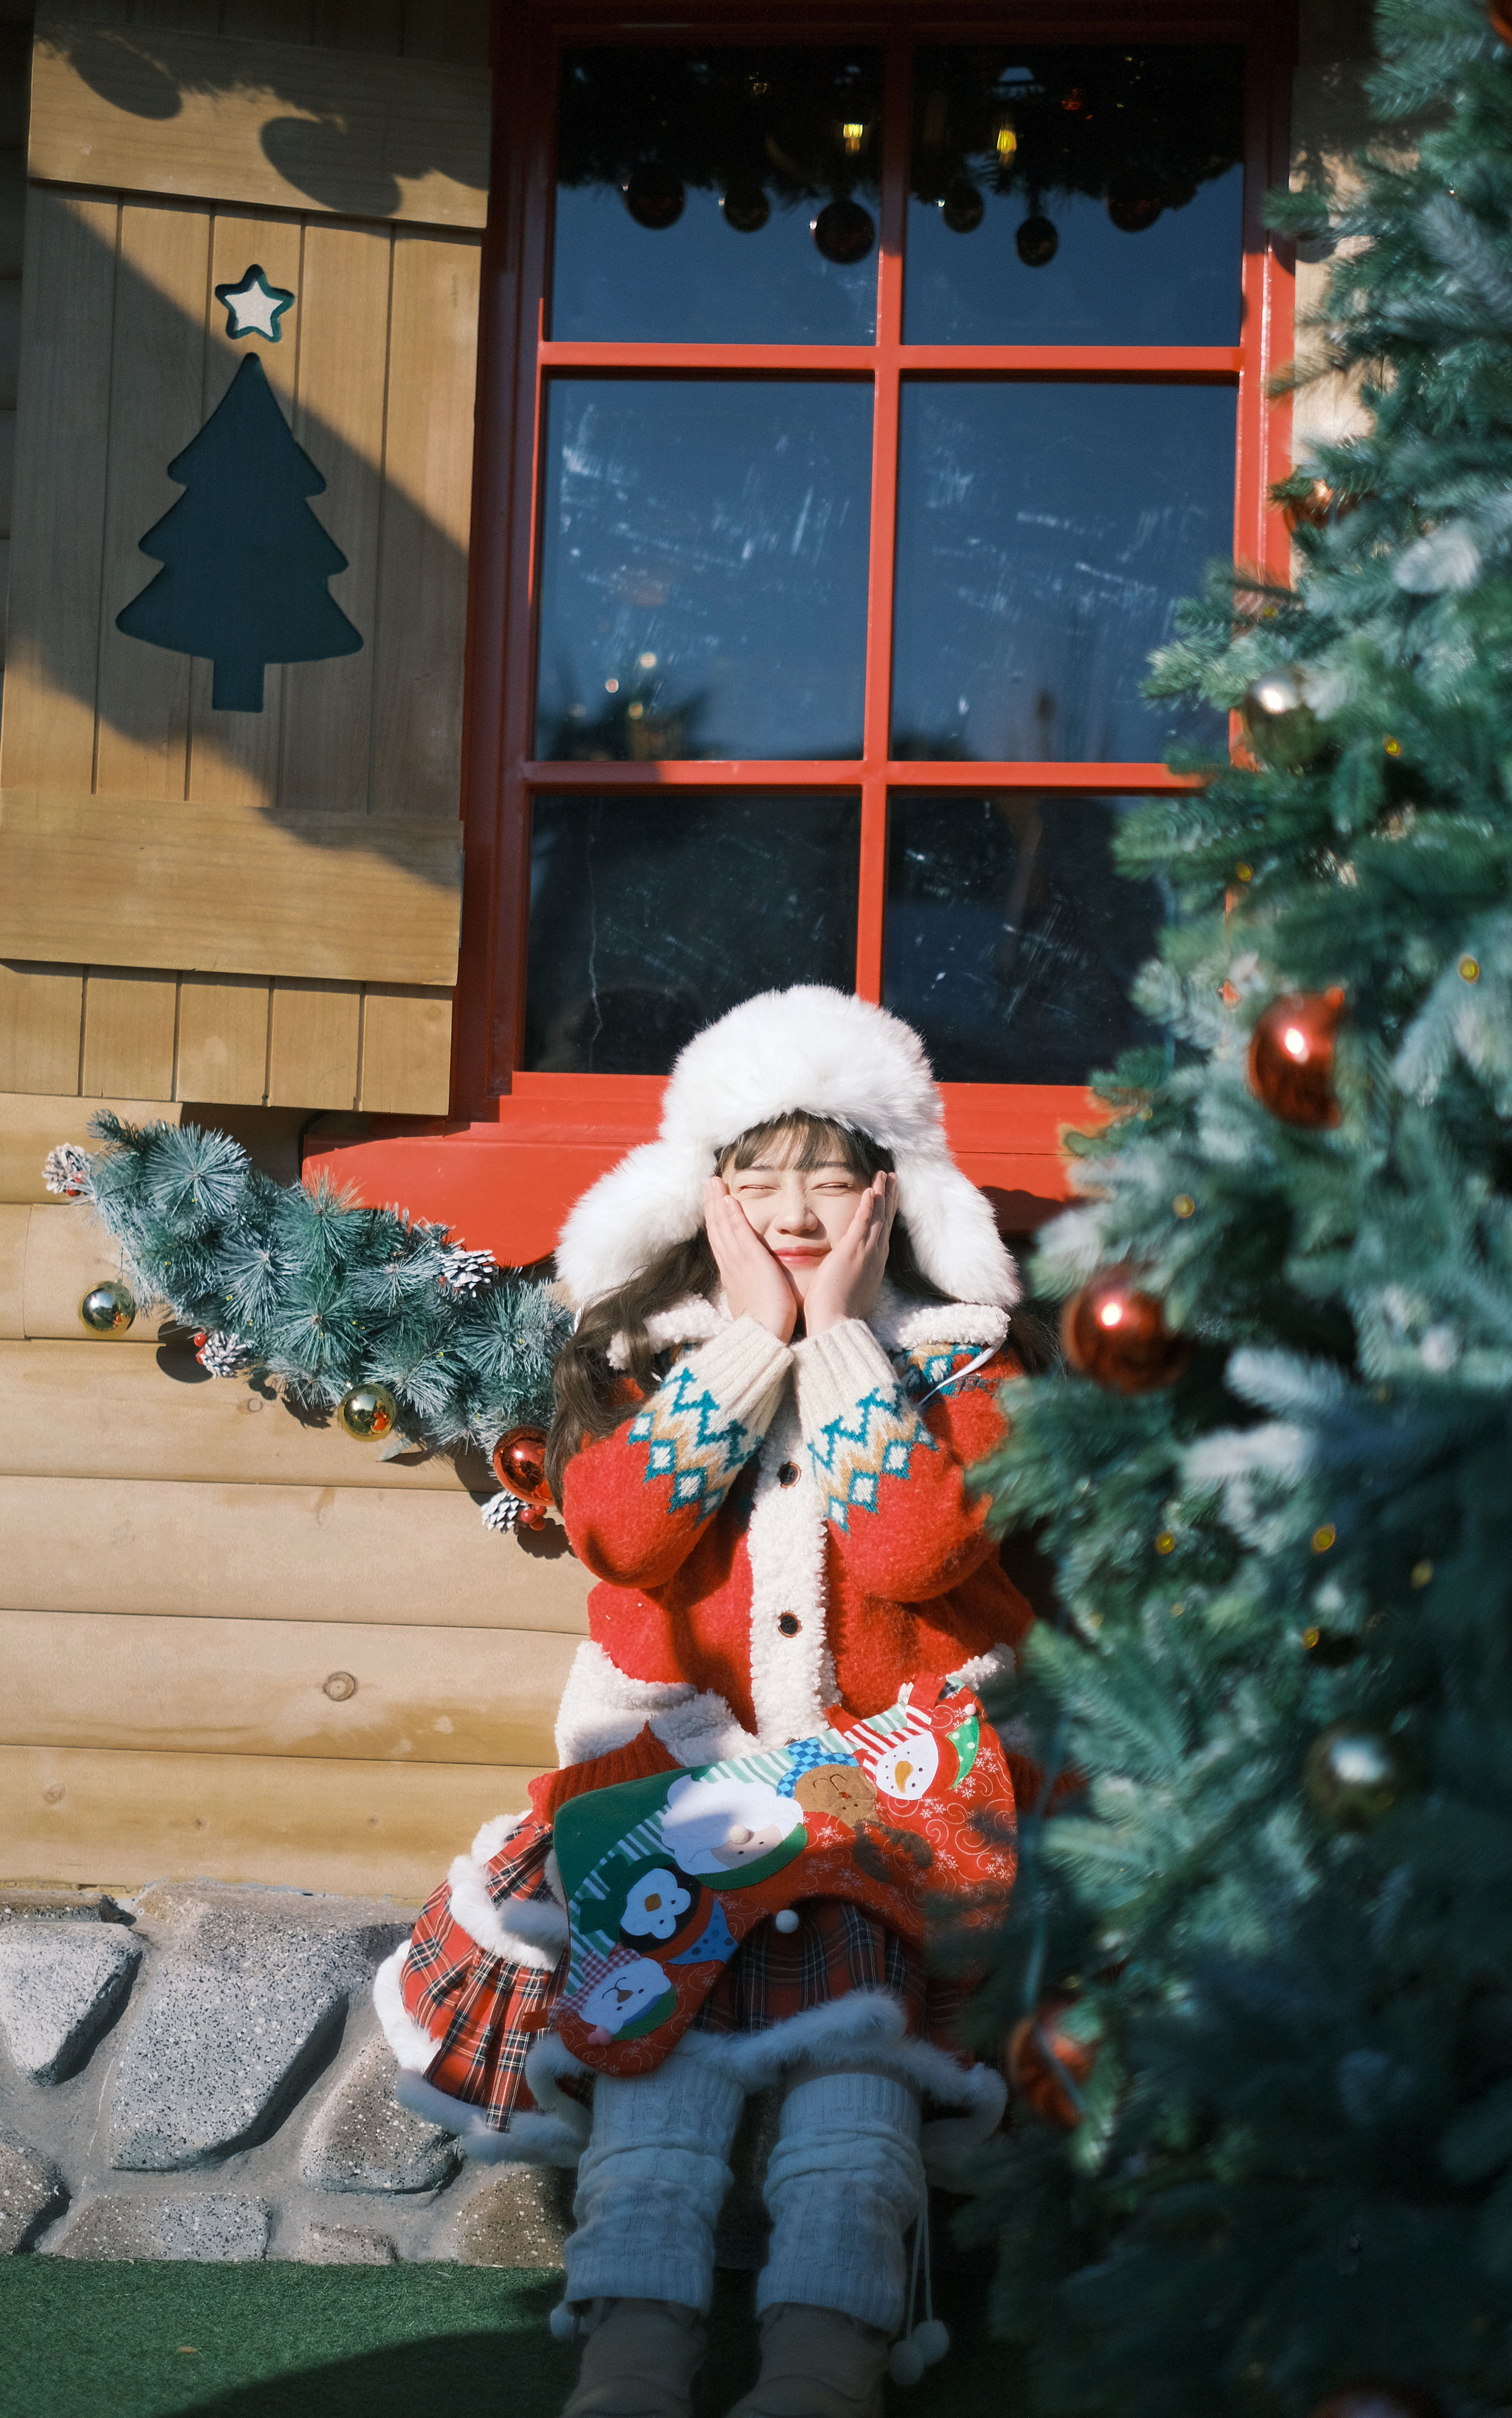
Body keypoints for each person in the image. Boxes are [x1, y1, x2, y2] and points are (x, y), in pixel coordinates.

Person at [375, 986, 1037, 2418]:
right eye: (758, 1172)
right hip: (683, 1795)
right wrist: (750, 1339)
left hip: (881, 1809)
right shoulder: (644, 1359)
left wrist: (847, 1338)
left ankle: (824, 2363)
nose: (794, 1206)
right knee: (656, 2086)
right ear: (705, 1190)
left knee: (856, 2100)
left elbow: (919, 1544)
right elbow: (624, 1533)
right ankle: (632, 2361)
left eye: (830, 1173)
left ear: (890, 1192)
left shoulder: (965, 1362)